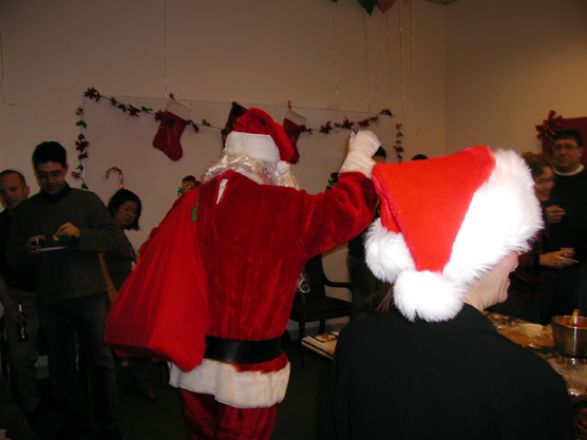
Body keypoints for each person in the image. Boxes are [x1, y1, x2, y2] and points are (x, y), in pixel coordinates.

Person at [106, 108, 379, 439]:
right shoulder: (284, 207)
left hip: (191, 361)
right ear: (271, 163)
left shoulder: (190, 201)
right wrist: (359, 157)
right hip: (249, 375)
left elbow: (151, 252)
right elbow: (348, 209)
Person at [332, 146, 574, 439]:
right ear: (476, 255)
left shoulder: (355, 337)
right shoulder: (530, 380)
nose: (518, 257)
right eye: (512, 246)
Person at [5, 142, 123, 439]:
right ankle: (77, 425)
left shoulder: (87, 201)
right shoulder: (27, 211)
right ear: (36, 174)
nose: (50, 181)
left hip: (90, 296)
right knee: (60, 370)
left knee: (101, 362)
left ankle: (108, 426)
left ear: (67, 170)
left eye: (56, 174)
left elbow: (111, 237)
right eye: (43, 175)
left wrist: (80, 234)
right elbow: (12, 258)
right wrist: (27, 251)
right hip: (51, 300)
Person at [489, 153, 577, 323]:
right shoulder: (511, 211)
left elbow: (533, 250)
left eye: (550, 180)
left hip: (532, 292)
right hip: (510, 292)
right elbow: (497, 257)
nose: (548, 185)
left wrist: (555, 256)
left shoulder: (538, 209)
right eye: (541, 181)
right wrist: (542, 259)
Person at [102, 188, 158, 401]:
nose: (129, 214)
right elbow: (99, 260)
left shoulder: (120, 234)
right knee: (122, 341)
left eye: (134, 212)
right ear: (115, 207)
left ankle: (140, 384)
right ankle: (117, 389)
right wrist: (110, 290)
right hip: (112, 297)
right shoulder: (108, 231)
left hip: (124, 297)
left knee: (134, 339)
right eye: (126, 209)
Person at [0, 169, 41, 420]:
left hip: (54, 294)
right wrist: (9, 304)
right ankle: (31, 408)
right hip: (20, 298)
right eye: (3, 192)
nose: (8, 195)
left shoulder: (44, 215)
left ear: (26, 189)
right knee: (20, 356)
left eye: (13, 189)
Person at [543, 129, 587, 317]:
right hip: (542, 266)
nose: (562, 152)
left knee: (574, 320)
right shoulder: (543, 179)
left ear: (580, 151)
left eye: (568, 147)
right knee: (540, 319)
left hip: (580, 268)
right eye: (558, 147)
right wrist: (543, 214)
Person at [347, 146, 387, 320]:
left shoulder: (383, 187)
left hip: (382, 258)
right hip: (362, 257)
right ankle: (359, 344)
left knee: (382, 307)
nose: (379, 169)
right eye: (375, 164)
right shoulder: (357, 188)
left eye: (382, 165)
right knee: (363, 308)